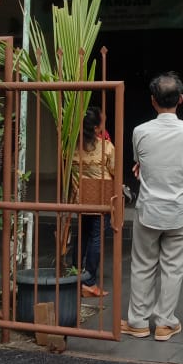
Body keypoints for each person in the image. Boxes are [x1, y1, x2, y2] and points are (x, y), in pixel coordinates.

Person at [121, 72, 183, 341]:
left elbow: (141, 162)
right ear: (181, 99)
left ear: (153, 101)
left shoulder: (140, 131)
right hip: (180, 209)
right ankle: (165, 323)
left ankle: (138, 322)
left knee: (142, 265)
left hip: (149, 208)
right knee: (173, 267)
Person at [70, 107, 114, 298]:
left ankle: (75, 277)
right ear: (96, 128)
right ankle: (89, 282)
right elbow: (115, 170)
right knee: (96, 237)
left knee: (81, 235)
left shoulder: (71, 147)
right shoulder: (106, 147)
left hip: (80, 197)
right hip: (100, 198)